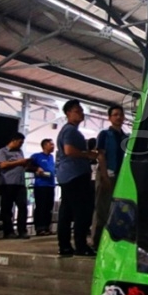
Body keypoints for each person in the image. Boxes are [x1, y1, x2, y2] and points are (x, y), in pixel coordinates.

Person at [56, 99, 99, 257]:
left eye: (81, 110)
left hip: (68, 175)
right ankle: (81, 245)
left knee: (66, 213)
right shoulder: (70, 131)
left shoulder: (68, 130)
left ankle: (65, 246)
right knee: (82, 211)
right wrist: (88, 154)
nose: (81, 113)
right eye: (77, 111)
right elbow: (69, 150)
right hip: (75, 175)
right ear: (68, 113)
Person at [94, 105, 129, 246]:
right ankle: (97, 241)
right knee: (102, 208)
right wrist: (104, 176)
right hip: (107, 174)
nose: (118, 117)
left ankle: (115, 240)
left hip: (121, 176)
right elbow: (101, 155)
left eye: (120, 114)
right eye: (115, 115)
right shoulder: (104, 135)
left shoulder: (126, 137)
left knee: (120, 208)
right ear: (109, 118)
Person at [0, 132, 30, 239]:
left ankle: (22, 231)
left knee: (23, 207)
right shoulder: (2, 151)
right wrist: (19, 162)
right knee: (7, 208)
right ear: (14, 140)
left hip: (20, 183)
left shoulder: (20, 151)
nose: (21, 145)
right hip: (7, 183)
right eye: (20, 142)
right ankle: (8, 231)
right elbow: (2, 164)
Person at [29, 138, 56, 236]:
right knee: (41, 206)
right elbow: (27, 166)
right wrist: (37, 169)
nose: (53, 146)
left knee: (49, 207)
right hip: (41, 185)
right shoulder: (37, 156)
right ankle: (40, 228)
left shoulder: (52, 157)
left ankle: (47, 227)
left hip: (50, 185)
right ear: (44, 145)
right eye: (51, 144)